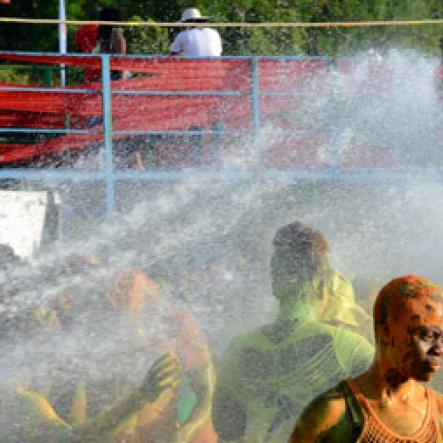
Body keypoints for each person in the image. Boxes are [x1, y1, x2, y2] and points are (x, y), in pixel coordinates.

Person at [212, 221, 373, 443]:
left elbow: (226, 428)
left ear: (274, 281)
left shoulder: (237, 349)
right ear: (319, 283)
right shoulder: (351, 349)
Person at [290, 274, 443, 442]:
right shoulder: (333, 412)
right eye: (428, 336)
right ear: (386, 332)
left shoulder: (439, 411)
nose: (439, 349)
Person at [98, 6, 127, 80]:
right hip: (109, 72)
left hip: (115, 73)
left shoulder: (116, 32)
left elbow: (121, 56)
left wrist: (123, 79)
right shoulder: (107, 34)